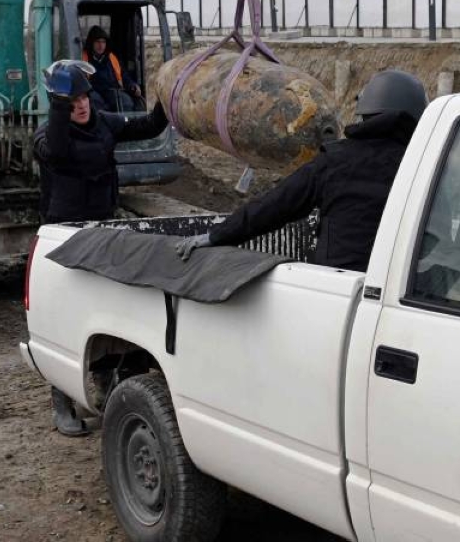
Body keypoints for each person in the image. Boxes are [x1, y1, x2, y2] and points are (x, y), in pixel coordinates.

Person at [33, 60, 170, 436]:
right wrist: (59, 104)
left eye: (84, 98)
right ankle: (61, 398)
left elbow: (150, 125)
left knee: (107, 311)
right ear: (59, 105)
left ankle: (104, 383)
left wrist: (170, 93)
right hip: (65, 236)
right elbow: (58, 151)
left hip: (103, 228)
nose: (81, 105)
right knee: (65, 316)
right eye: (72, 101)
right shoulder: (47, 139)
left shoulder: (104, 122)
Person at [175, 70, 428, 272]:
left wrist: (217, 236)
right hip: (402, 292)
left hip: (338, 290)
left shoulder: (336, 162)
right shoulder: (424, 165)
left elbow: (275, 206)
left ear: (365, 114)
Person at [82, 25, 142, 112]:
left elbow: (123, 76)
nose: (101, 45)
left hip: (111, 91)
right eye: (98, 42)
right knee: (95, 104)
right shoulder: (83, 59)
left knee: (126, 103)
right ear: (91, 43)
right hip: (93, 92)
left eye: (103, 42)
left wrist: (132, 85)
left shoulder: (112, 58)